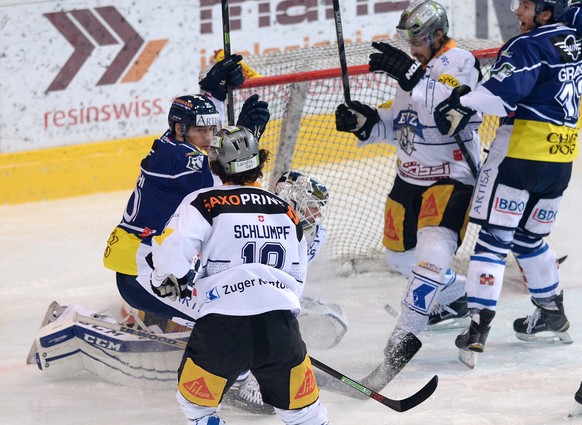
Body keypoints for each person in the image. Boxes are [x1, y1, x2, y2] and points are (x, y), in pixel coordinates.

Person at [334, 0, 482, 391]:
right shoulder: (412, 76)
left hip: (450, 177)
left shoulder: (460, 61)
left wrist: (414, 75)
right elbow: (402, 123)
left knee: (430, 259)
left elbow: (448, 111)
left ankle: (400, 344)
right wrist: (365, 121)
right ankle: (461, 294)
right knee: (399, 258)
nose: (409, 47)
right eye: (406, 39)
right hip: (408, 180)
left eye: (414, 39)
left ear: (436, 35)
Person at [149, 125, 330, 425]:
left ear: (214, 163)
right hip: (279, 326)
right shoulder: (287, 210)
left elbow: (173, 248)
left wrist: (163, 280)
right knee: (306, 414)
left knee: (197, 405)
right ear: (259, 162)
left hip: (222, 327)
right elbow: (297, 277)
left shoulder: (203, 201)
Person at [433, 0, 577, 366]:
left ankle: (477, 329)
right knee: (530, 238)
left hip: (518, 157)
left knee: (494, 241)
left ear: (546, 12)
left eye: (525, 5)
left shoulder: (527, 45)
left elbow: (499, 96)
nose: (517, 12)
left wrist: (461, 101)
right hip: (561, 160)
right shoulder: (575, 36)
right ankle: (550, 311)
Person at [103, 54, 270, 331]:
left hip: (163, 265)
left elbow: (213, 152)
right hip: (142, 273)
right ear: (180, 129)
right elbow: (226, 180)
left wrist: (213, 93)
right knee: (224, 318)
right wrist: (246, 136)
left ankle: (159, 321)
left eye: (211, 129)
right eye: (200, 131)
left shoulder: (175, 144)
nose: (209, 138)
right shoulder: (180, 159)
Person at [223, 170, 347, 413]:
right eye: (312, 206)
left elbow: (294, 278)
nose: (318, 214)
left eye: (320, 207)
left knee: (335, 319)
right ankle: (240, 375)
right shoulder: (258, 221)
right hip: (239, 293)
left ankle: (265, 357)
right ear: (292, 200)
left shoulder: (318, 234)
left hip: (276, 293)